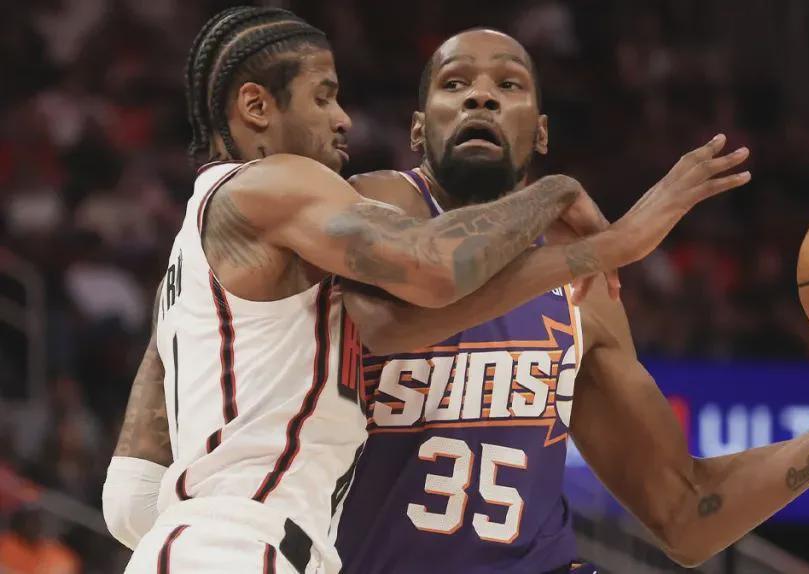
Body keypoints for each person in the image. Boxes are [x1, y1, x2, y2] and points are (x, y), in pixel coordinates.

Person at [102, 9, 744, 574]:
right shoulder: (275, 185)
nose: (343, 119)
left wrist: (192, 524)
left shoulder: (193, 263)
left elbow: (128, 500)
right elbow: (432, 269)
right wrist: (571, 209)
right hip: (244, 551)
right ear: (256, 107)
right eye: (323, 97)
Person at [332, 29, 809, 573]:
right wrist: (566, 202)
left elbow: (686, 514)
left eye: (509, 85)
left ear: (540, 133)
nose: (480, 95)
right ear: (417, 130)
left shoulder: (580, 291)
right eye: (455, 84)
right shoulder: (374, 204)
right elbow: (413, 301)